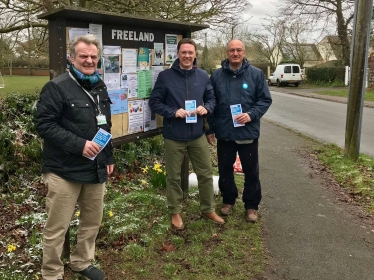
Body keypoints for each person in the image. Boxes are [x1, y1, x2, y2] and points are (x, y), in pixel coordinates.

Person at [34, 34, 114, 280]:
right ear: (71, 58)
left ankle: (81, 262)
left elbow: (105, 126)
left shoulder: (99, 86)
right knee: (57, 227)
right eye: (83, 56)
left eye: (93, 56)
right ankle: (52, 273)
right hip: (63, 170)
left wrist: (108, 158)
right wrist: (80, 145)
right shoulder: (56, 86)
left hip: (94, 168)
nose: (89, 60)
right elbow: (44, 125)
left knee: (91, 222)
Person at [149, 38, 224, 229]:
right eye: (184, 52)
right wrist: (173, 112)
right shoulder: (166, 76)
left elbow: (211, 98)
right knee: (173, 177)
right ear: (178, 54)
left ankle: (208, 209)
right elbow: (155, 102)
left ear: (195, 54)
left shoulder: (202, 76)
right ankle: (175, 212)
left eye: (191, 53)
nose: (187, 56)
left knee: (206, 173)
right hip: (174, 135)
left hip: (197, 134)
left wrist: (206, 108)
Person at [207, 39, 272, 223]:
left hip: (247, 132)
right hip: (225, 132)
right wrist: (210, 128)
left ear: (244, 52)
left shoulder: (256, 74)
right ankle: (228, 200)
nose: (235, 53)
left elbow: (265, 100)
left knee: (251, 171)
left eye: (238, 50)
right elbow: (211, 103)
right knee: (225, 169)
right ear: (226, 53)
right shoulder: (217, 76)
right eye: (231, 50)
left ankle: (251, 206)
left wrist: (251, 114)